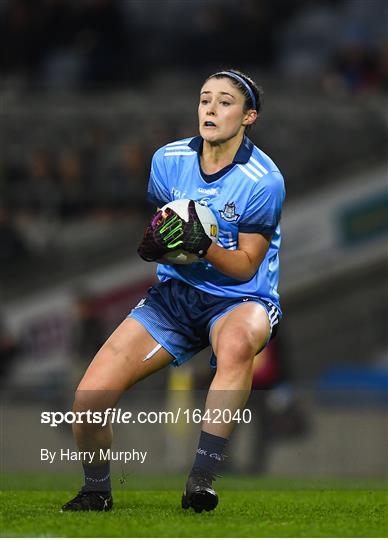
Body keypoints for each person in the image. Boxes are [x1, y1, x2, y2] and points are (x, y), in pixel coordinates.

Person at [61, 69, 285, 513]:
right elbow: (162, 236)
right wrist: (161, 247)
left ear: (249, 116)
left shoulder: (264, 180)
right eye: (205, 99)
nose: (211, 109)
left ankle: (201, 480)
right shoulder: (168, 159)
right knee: (88, 403)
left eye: (225, 101)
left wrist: (200, 245)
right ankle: (95, 491)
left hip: (242, 299)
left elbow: (243, 268)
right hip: (175, 298)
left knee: (239, 343)